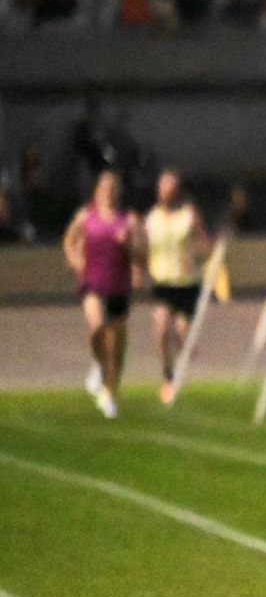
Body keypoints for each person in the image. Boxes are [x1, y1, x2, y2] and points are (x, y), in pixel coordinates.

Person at [63, 168, 144, 418]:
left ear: (118, 192)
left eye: (113, 187)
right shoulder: (86, 216)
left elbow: (141, 254)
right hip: (92, 282)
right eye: (105, 186)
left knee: (117, 346)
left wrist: (128, 245)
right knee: (98, 328)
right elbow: (69, 240)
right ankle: (99, 365)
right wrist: (76, 261)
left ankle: (108, 395)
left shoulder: (127, 220)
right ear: (97, 189)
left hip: (119, 285)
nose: (109, 191)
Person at [144, 167, 211, 405]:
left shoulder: (189, 215)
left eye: (170, 188)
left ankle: (186, 353)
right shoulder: (152, 218)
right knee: (161, 325)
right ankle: (167, 375)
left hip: (187, 283)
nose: (166, 193)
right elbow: (145, 248)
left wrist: (196, 254)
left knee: (183, 334)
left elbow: (205, 246)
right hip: (163, 282)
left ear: (177, 191)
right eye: (162, 188)